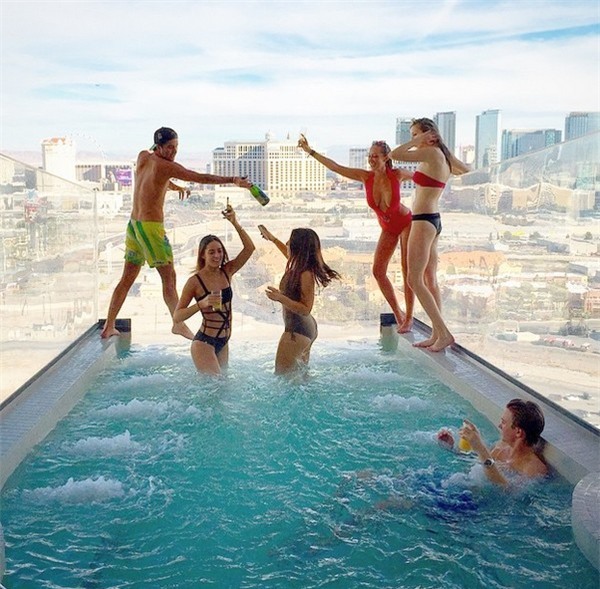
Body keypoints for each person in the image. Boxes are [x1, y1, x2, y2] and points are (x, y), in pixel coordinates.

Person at [100, 127, 252, 340]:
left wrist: (173, 187)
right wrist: (233, 180)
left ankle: (109, 326)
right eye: (169, 147)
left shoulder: (143, 157)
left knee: (127, 278)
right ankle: (178, 323)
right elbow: (200, 177)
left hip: (134, 226)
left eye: (176, 147)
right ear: (159, 146)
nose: (174, 151)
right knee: (169, 277)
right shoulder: (166, 166)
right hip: (150, 229)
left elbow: (153, 180)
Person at [298, 135, 414, 333]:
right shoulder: (365, 177)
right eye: (370, 156)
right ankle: (398, 313)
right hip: (388, 228)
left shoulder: (397, 174)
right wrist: (310, 151)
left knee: (406, 269)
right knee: (378, 271)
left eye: (375, 156)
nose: (371, 159)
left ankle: (409, 317)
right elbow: (335, 167)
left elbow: (422, 177)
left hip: (406, 223)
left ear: (386, 157)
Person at [390, 118, 470, 351]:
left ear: (428, 134)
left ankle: (443, 333)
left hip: (423, 220)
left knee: (414, 279)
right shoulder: (441, 156)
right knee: (429, 278)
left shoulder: (431, 153)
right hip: (433, 220)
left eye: (415, 134)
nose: (414, 140)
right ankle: (437, 333)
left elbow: (395, 154)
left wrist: (421, 141)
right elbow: (465, 170)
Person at [173, 204, 255, 375]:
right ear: (203, 255)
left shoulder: (227, 271)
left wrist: (235, 223)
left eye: (219, 251)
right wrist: (201, 304)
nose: (217, 255)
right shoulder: (194, 282)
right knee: (214, 385)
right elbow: (177, 316)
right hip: (204, 343)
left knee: (222, 387)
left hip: (223, 341)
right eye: (211, 252)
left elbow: (249, 248)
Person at [258, 225, 341, 375]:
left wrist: (281, 298)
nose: (286, 244)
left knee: (283, 379)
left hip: (297, 330)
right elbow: (286, 252)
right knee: (300, 380)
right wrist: (272, 239)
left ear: (298, 248)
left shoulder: (305, 274)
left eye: (290, 242)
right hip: (302, 329)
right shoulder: (298, 266)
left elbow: (305, 309)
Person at [437, 398, 548, 485]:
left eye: (503, 422)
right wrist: (451, 448)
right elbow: (477, 463)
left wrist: (480, 448)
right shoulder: (501, 447)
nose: (499, 426)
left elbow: (509, 491)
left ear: (518, 432)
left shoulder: (534, 468)